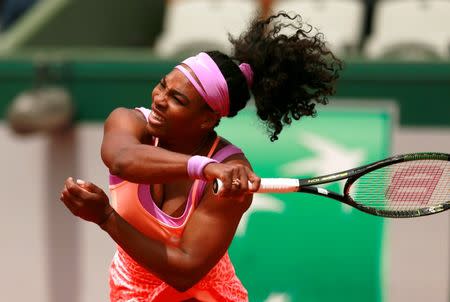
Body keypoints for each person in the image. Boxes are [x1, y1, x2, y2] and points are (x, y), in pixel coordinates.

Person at [60, 12, 342, 302]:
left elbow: (184, 271)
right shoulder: (127, 122)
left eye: (177, 100)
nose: (159, 99)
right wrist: (204, 169)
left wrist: (107, 217)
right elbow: (122, 160)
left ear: (207, 120)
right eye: (163, 85)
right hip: (129, 292)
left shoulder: (233, 169)